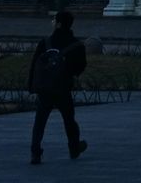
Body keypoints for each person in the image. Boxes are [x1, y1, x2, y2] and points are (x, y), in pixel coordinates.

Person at [28, 10, 88, 165]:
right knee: (69, 120)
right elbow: (81, 66)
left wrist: (32, 86)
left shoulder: (45, 42)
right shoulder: (76, 44)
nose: (52, 22)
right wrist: (70, 73)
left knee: (40, 121)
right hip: (63, 88)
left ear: (59, 24)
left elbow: (35, 65)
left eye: (54, 20)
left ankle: (35, 152)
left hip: (45, 89)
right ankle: (74, 147)